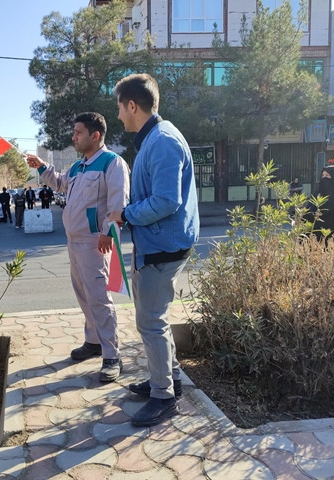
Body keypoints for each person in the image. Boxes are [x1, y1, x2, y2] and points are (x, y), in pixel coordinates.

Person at [109, 73, 199, 427]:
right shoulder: (157, 138)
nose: (118, 116)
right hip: (160, 243)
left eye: (119, 108)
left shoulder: (161, 141)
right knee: (153, 319)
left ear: (132, 105)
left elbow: (165, 200)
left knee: (150, 322)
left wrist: (126, 214)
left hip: (162, 247)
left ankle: (164, 396)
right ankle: (168, 378)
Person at [26, 111, 130, 383]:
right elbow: (60, 184)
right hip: (74, 242)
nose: (73, 137)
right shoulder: (78, 166)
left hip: (96, 242)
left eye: (78, 133)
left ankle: (112, 356)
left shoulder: (112, 163)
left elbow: (118, 202)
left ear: (95, 136)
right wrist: (41, 167)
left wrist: (108, 232)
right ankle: (93, 342)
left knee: (99, 298)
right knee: (84, 296)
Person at [307, 165, 334, 241]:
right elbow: (310, 208)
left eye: (327, 175)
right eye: (323, 175)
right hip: (316, 230)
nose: (324, 178)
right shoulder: (319, 192)